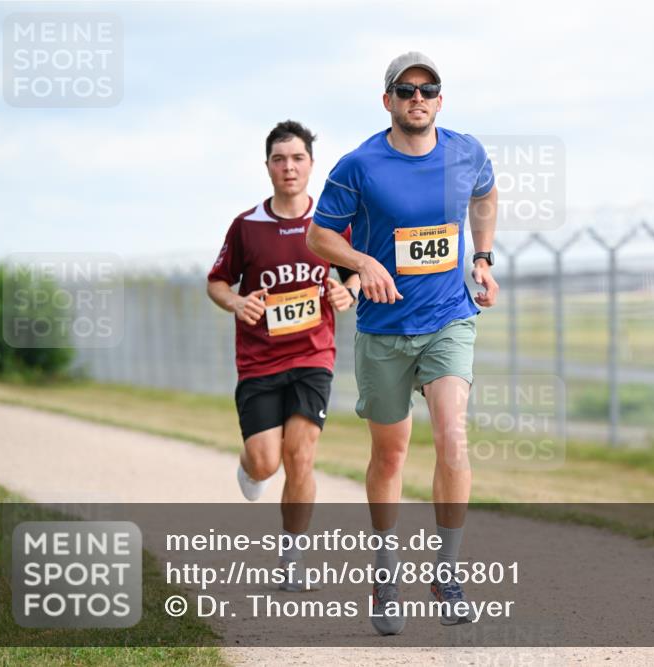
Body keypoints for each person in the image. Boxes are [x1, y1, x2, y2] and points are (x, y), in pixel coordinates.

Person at [307, 52, 498, 634]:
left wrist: (484, 257)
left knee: (452, 437)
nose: (417, 98)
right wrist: (361, 259)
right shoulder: (358, 165)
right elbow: (318, 235)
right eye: (405, 89)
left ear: (440, 99)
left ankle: (448, 571)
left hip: (448, 318)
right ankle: (385, 571)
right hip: (384, 329)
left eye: (428, 89)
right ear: (387, 100)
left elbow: (485, 194)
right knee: (390, 454)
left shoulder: (466, 151)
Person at [208, 120, 360, 591]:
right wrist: (237, 301)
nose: (288, 167)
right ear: (268, 166)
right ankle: (250, 465)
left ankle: (293, 558)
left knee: (302, 457)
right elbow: (217, 282)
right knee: (266, 462)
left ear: (311, 165)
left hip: (314, 356)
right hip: (259, 362)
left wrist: (348, 291)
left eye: (297, 158)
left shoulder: (332, 225)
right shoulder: (247, 226)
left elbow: (359, 270)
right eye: (279, 159)